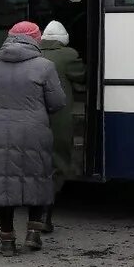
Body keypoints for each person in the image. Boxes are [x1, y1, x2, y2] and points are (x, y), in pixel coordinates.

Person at [0, 21, 66, 256]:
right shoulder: (45, 66)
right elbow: (57, 103)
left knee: (1, 183)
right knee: (36, 178)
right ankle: (33, 233)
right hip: (33, 132)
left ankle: (7, 239)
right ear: (36, 39)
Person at [39, 20, 85, 233]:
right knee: (56, 165)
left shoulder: (32, 54)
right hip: (56, 120)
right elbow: (82, 77)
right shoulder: (68, 56)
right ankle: (44, 217)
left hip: (32, 120)